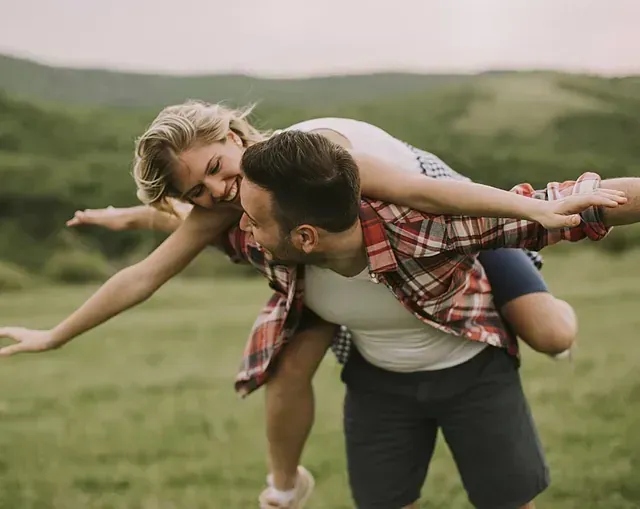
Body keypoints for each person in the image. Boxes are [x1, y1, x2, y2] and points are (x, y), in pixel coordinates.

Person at [0, 103, 624, 507]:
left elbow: (429, 195)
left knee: (546, 330)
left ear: (235, 132)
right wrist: (58, 332)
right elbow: (144, 275)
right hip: (359, 272)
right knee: (288, 361)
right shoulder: (228, 202)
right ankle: (284, 487)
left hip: (454, 223)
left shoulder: (320, 156)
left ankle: (541, 301)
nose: (220, 190)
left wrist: (536, 208)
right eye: (201, 190)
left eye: (218, 168)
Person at [220, 129, 637, 508]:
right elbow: (191, 223)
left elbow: (574, 205)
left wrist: (580, 202)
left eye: (253, 221)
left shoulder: (423, 228)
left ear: (306, 237)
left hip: (474, 369)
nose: (241, 226)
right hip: (377, 384)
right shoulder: (268, 241)